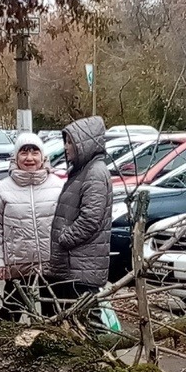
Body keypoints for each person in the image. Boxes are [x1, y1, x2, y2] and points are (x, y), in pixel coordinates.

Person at [0, 132, 62, 322]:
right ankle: (1, 348)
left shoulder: (58, 186)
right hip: (18, 264)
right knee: (11, 313)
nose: (29, 158)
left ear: (43, 157)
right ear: (15, 157)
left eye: (35, 152)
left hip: (53, 264)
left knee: (53, 315)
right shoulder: (2, 189)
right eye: (24, 152)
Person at [48, 116, 113, 324]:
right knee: (74, 323)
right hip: (75, 265)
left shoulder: (94, 173)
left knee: (88, 324)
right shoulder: (82, 171)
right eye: (65, 141)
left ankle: (101, 356)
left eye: (70, 142)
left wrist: (65, 238)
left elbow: (90, 218)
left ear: (84, 142)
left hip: (82, 267)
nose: (66, 147)